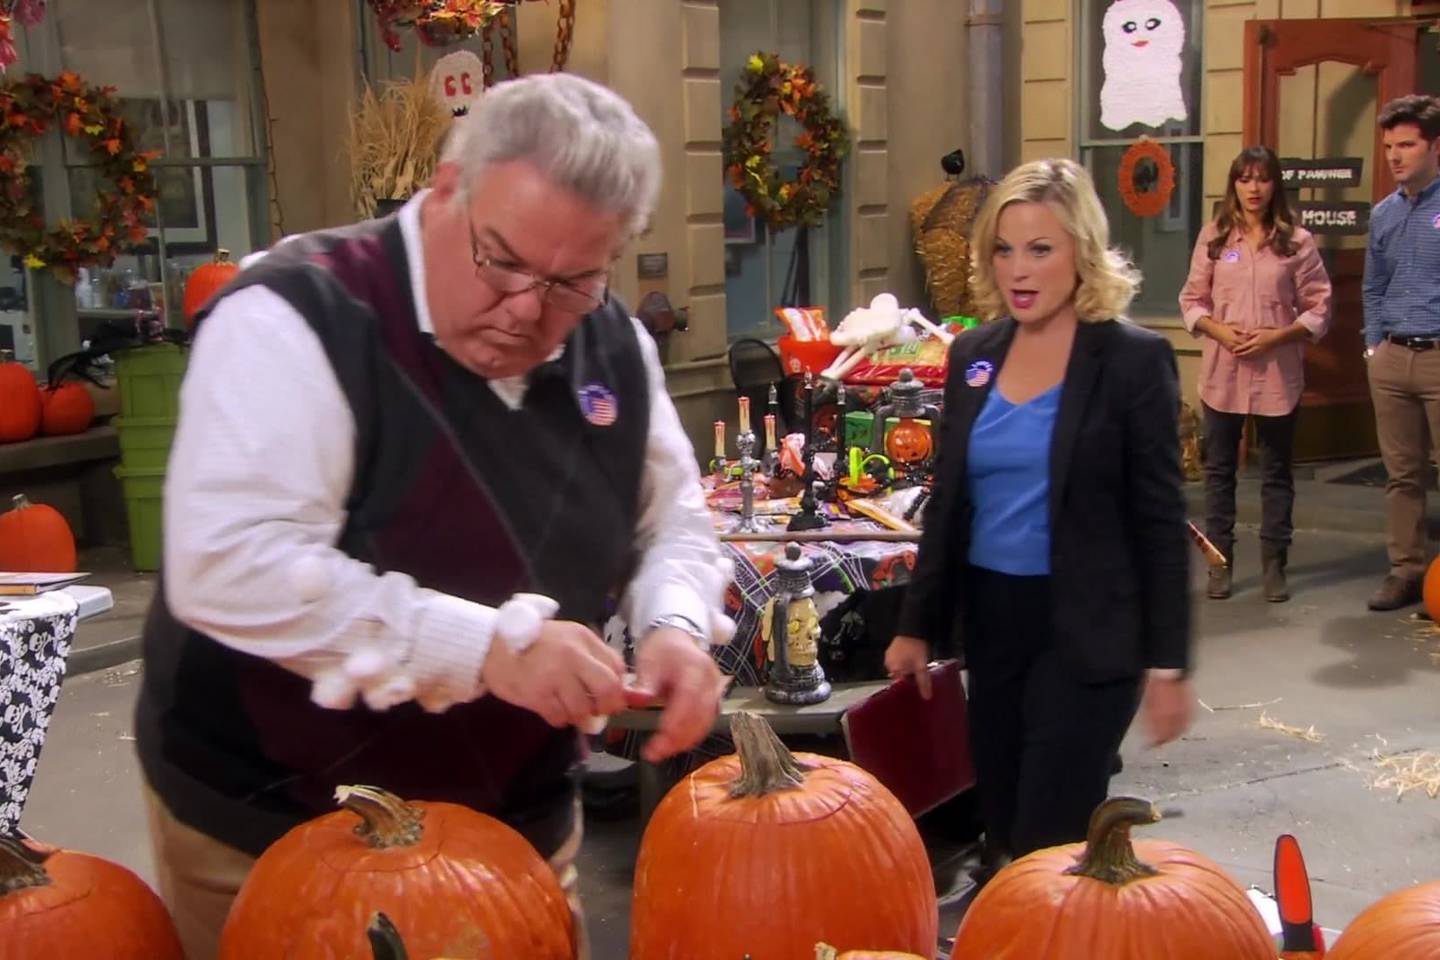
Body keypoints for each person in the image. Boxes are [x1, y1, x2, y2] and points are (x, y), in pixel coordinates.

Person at [133, 73, 730, 960]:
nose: (526, 309)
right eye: (502, 260)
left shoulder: (615, 346)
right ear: (447, 189)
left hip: (516, 828)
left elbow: (671, 521)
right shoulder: (296, 314)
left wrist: (675, 623)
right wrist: (489, 649)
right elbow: (227, 561)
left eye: (573, 281)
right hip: (277, 835)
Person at [885, 158, 1194, 866]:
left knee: (1046, 837)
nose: (1017, 270)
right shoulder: (973, 355)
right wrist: (915, 625)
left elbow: (1159, 522)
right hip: (994, 627)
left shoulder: (1132, 361)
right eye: (1004, 249)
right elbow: (949, 501)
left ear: (1082, 252)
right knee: (1000, 826)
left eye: (1039, 249)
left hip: (1088, 630)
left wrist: (1168, 664)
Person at [1178, 145, 1332, 603]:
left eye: (1262, 179)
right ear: (1234, 184)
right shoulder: (1214, 237)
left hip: (1276, 375)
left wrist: (1277, 336)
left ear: (1274, 185)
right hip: (1223, 374)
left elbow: (1319, 306)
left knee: (1276, 472)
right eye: (1245, 179)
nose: (1253, 188)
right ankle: (1219, 563)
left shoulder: (1297, 242)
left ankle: (1274, 564)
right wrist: (1221, 331)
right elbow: (1192, 301)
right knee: (1219, 472)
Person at [1362, 93, 1440, 611]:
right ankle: (1406, 570)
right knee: (1402, 475)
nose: (1394, 155)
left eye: (1406, 145)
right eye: (1389, 146)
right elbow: (1373, 286)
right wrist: (1373, 346)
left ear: (1435, 147)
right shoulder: (1384, 214)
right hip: (1392, 357)